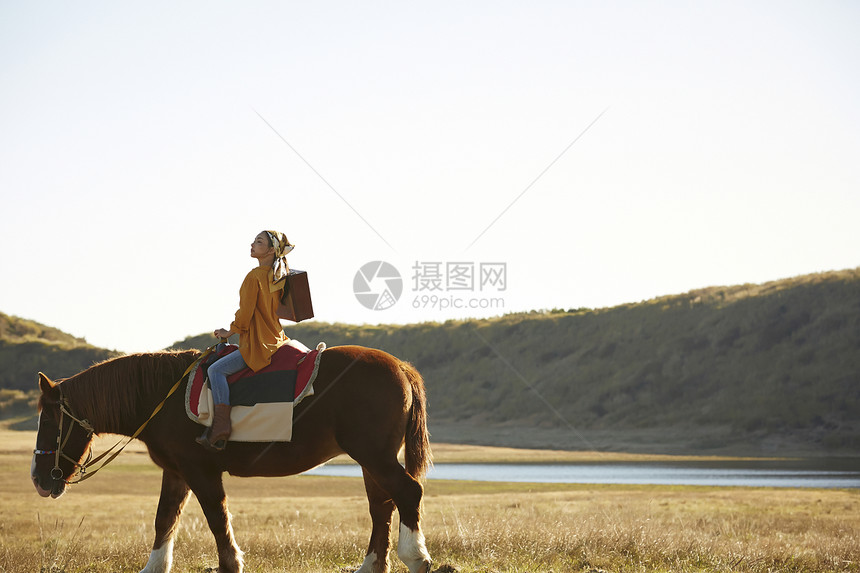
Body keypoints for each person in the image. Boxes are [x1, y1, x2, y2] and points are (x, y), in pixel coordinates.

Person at [196, 230, 294, 451]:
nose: (252, 244)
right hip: (277, 338)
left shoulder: (255, 276)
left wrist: (228, 332)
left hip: (258, 343)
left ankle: (221, 425)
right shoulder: (280, 276)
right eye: (253, 241)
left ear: (270, 250)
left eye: (258, 242)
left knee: (215, 371)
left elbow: (245, 314)